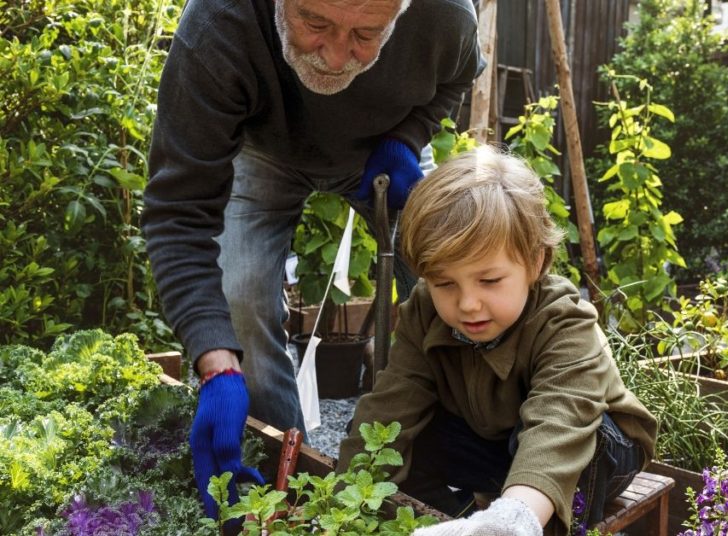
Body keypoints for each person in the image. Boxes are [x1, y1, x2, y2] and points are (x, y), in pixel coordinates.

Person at [140, 0, 484, 518]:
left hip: (383, 146)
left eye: (366, 34)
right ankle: (290, 481)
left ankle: (449, 452)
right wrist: (214, 361)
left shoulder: (446, 13)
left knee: (458, 263)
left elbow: (455, 78)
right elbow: (179, 209)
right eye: (314, 23)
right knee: (241, 298)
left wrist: (406, 140)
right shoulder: (217, 26)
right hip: (265, 152)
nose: (335, 54)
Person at [336, 146, 658, 536]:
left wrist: (512, 520)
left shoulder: (565, 320)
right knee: (387, 436)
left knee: (573, 444)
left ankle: (520, 524)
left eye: (489, 281)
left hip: (592, 444)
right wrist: (342, 501)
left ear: (535, 262)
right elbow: (393, 401)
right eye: (445, 283)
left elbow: (560, 420)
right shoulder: (424, 310)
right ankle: (454, 522)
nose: (468, 304)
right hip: (496, 440)